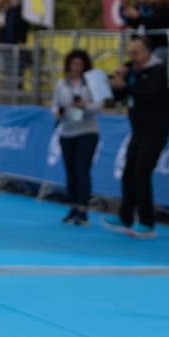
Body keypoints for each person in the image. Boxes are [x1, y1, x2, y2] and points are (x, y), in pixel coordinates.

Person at [104, 36, 169, 239]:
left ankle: (147, 222)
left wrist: (125, 85)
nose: (132, 57)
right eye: (130, 53)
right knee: (128, 174)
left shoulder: (158, 71)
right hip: (138, 130)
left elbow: (150, 93)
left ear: (147, 53)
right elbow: (120, 97)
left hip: (156, 130)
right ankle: (125, 217)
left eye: (136, 53)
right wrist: (117, 82)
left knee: (141, 174)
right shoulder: (130, 70)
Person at [52, 49, 103, 226]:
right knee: (71, 172)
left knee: (82, 170)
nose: (77, 67)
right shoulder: (61, 83)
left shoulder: (92, 83)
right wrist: (58, 113)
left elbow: (99, 106)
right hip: (67, 131)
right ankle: (73, 206)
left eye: (80, 64)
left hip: (87, 131)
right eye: (74, 64)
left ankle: (83, 209)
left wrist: (85, 106)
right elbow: (55, 104)